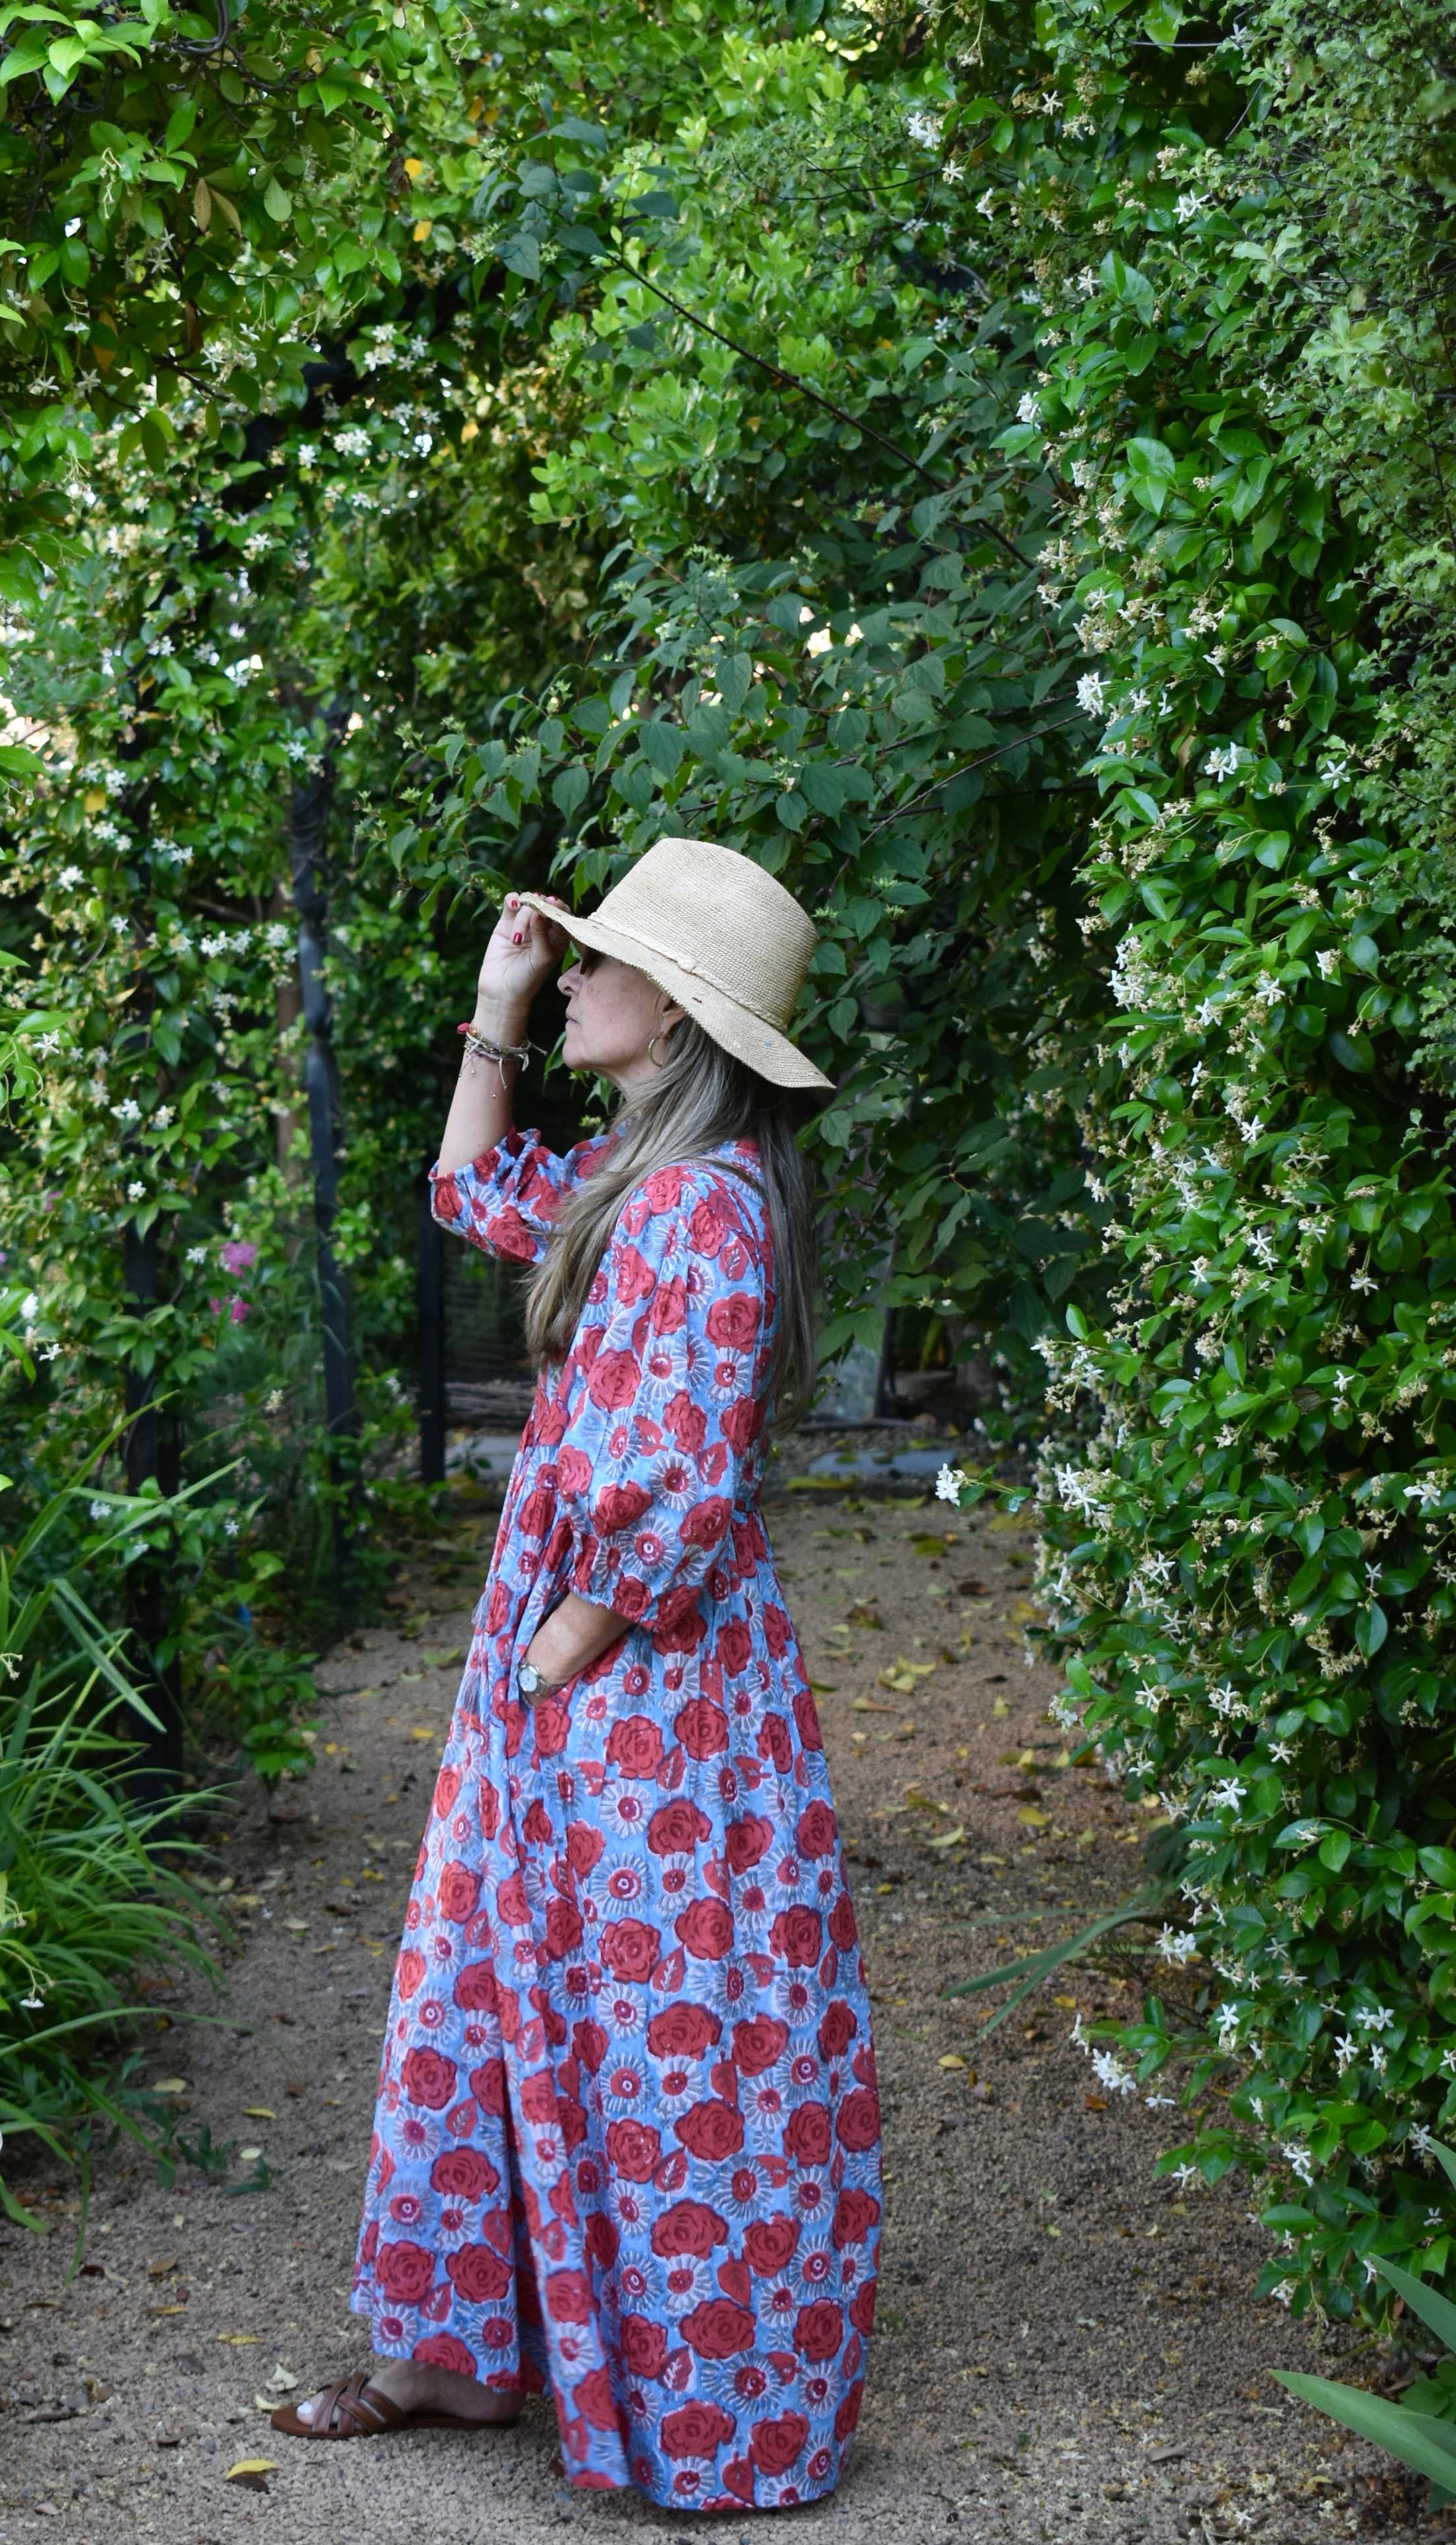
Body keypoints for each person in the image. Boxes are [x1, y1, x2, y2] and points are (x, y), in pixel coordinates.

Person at [272, 836, 881, 2513]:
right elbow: (471, 1190)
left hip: (635, 1682)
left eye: (602, 965)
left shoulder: (701, 1212)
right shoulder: (641, 1181)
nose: (577, 980)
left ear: (676, 1020)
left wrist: (559, 1656)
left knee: (655, 2020)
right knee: (507, 1978)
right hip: (584, 1660)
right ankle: (455, 2359)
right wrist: (496, 1008)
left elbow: (673, 1491)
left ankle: (692, 2398)